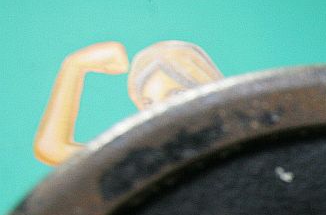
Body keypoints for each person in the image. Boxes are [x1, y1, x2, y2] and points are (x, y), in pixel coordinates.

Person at [34, 40, 223, 165]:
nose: (161, 111)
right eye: (149, 103)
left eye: (175, 94)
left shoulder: (233, 141)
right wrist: (74, 67)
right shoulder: (154, 158)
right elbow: (52, 148)